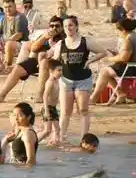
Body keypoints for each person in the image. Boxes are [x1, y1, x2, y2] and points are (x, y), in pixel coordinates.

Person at [48, 16, 109, 144]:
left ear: (76, 26)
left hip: (83, 79)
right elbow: (55, 61)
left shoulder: (85, 41)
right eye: (65, 26)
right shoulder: (61, 44)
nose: (68, 28)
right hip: (66, 80)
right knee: (65, 111)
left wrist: (90, 60)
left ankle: (84, 139)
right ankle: (60, 136)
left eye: (70, 25)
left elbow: (103, 52)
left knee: (83, 110)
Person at [90, 17, 136, 104]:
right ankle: (120, 94)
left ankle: (93, 99)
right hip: (131, 65)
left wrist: (108, 58)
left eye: (118, 31)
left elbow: (123, 58)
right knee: (107, 71)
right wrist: (116, 54)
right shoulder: (133, 36)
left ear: (122, 30)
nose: (118, 33)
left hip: (131, 67)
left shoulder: (128, 39)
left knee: (104, 72)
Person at [40, 59, 62, 145]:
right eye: (58, 70)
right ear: (51, 71)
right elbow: (45, 96)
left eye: (62, 70)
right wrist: (46, 110)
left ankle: (53, 143)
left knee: (57, 130)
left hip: (53, 108)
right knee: (47, 131)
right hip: (48, 108)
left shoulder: (57, 81)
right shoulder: (50, 82)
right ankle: (34, 142)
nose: (61, 72)